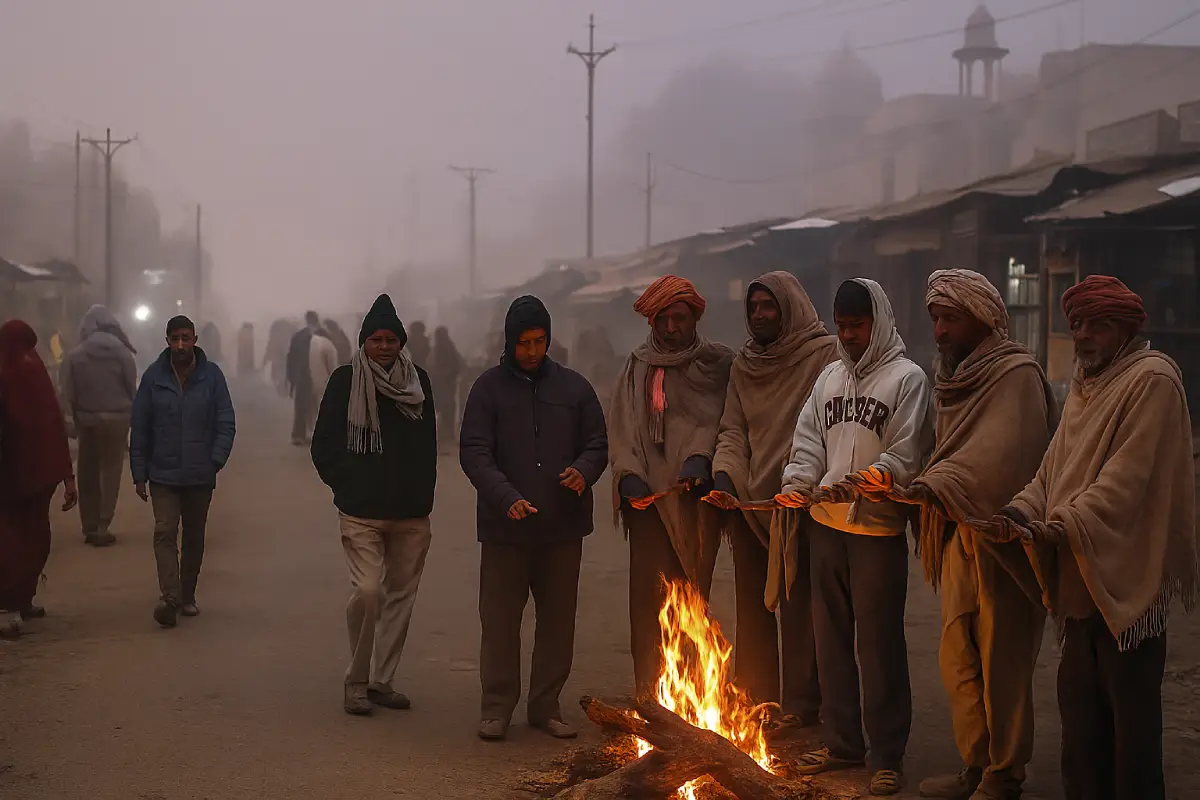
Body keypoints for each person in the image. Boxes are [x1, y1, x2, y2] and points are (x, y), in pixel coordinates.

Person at [973, 275, 1197, 800]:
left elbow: (1125, 482)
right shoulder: (1084, 385)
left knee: (1132, 741)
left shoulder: (1153, 380)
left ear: (1125, 329)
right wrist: (1016, 513)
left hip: (1128, 591)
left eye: (1097, 325)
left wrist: (1059, 525)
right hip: (1078, 585)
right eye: (1076, 325)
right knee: (1080, 734)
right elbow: (1051, 473)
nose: (1082, 336)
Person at [892, 270, 1053, 800]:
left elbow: (1007, 454)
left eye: (951, 319)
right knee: (957, 656)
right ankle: (975, 764)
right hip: (958, 532)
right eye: (935, 319)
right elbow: (943, 448)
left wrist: (939, 483)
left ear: (982, 319)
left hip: (1003, 538)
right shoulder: (950, 379)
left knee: (1002, 661)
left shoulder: (1017, 375)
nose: (939, 331)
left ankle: (1005, 774)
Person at [777, 278, 933, 797]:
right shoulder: (829, 378)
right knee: (830, 641)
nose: (848, 336)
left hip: (876, 532)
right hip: (825, 526)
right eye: (842, 326)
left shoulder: (907, 380)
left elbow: (907, 451)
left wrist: (876, 475)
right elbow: (808, 442)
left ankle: (886, 755)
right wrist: (799, 483)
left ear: (878, 321)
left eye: (857, 326)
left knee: (879, 644)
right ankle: (842, 743)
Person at [460, 296, 608, 742]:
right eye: (523, 342)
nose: (531, 351)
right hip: (505, 529)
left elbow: (597, 443)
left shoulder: (575, 389)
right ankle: (496, 708)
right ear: (509, 342)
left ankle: (546, 706)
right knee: (500, 623)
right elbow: (475, 452)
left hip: (562, 528)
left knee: (557, 623)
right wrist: (505, 496)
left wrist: (584, 471)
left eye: (539, 341)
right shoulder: (487, 390)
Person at [707, 271, 838, 727]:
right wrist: (725, 476)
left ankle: (802, 708)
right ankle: (757, 703)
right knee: (753, 609)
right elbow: (733, 430)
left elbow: (831, 428)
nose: (759, 315)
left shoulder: (825, 356)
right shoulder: (744, 365)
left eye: (768, 306)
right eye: (753, 307)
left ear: (790, 307)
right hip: (749, 504)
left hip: (802, 502)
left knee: (802, 609)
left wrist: (803, 487)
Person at [311, 294, 437, 717]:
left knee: (401, 596)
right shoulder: (344, 381)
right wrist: (348, 485)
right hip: (361, 511)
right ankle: (356, 681)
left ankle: (383, 681)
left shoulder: (418, 381)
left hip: (410, 513)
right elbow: (323, 444)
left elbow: (428, 444)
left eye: (391, 340)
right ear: (363, 342)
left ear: (401, 342)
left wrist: (422, 495)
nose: (384, 347)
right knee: (368, 592)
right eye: (376, 340)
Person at [607, 275, 734, 697]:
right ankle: (650, 692)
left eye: (679, 318)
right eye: (663, 319)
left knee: (691, 596)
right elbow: (623, 426)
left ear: (694, 317)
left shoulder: (718, 364)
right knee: (647, 598)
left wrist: (702, 456)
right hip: (646, 501)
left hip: (695, 501)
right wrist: (628, 474)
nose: (671, 327)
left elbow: (725, 421)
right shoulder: (638, 365)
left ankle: (692, 695)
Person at [130, 315, 236, 629]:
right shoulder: (153, 377)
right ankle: (170, 598)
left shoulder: (212, 376)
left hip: (199, 475)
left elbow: (226, 422)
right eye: (174, 339)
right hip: (162, 474)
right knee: (164, 533)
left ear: (194, 340)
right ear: (167, 341)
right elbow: (140, 426)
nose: (180, 345)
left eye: (185, 338)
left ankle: (187, 594)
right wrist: (139, 473)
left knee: (193, 537)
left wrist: (215, 460)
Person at [0, 321, 78, 639]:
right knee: (29, 539)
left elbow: (51, 423)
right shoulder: (35, 370)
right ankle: (15, 601)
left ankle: (15, 602)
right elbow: (54, 423)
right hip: (33, 476)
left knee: (16, 540)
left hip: (16, 476)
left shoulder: (14, 371)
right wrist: (66, 475)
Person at [60, 305, 138, 547]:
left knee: (88, 471)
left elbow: (67, 392)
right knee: (110, 471)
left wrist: (70, 419)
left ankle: (90, 526)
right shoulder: (123, 353)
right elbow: (131, 388)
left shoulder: (74, 355)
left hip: (87, 419)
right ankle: (104, 526)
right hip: (117, 419)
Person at [286, 311, 321, 446]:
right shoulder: (322, 335)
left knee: (301, 407)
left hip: (301, 376)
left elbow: (290, 358)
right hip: (317, 375)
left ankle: (298, 435)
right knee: (317, 406)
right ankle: (317, 435)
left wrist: (291, 378)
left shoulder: (298, 336)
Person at [430, 326, 464, 452]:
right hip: (440, 384)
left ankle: (447, 434)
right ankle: (444, 434)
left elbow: (456, 366)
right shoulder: (438, 348)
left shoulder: (448, 348)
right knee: (442, 408)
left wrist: (444, 375)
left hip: (447, 384)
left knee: (447, 408)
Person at [264, 318, 297, 394]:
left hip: (282, 362)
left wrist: (265, 360)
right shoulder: (288, 331)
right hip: (283, 362)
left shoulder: (277, 330)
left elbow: (270, 347)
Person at [309, 326, 338, 404]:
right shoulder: (329, 345)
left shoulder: (311, 343)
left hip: (311, 382)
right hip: (324, 383)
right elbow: (333, 368)